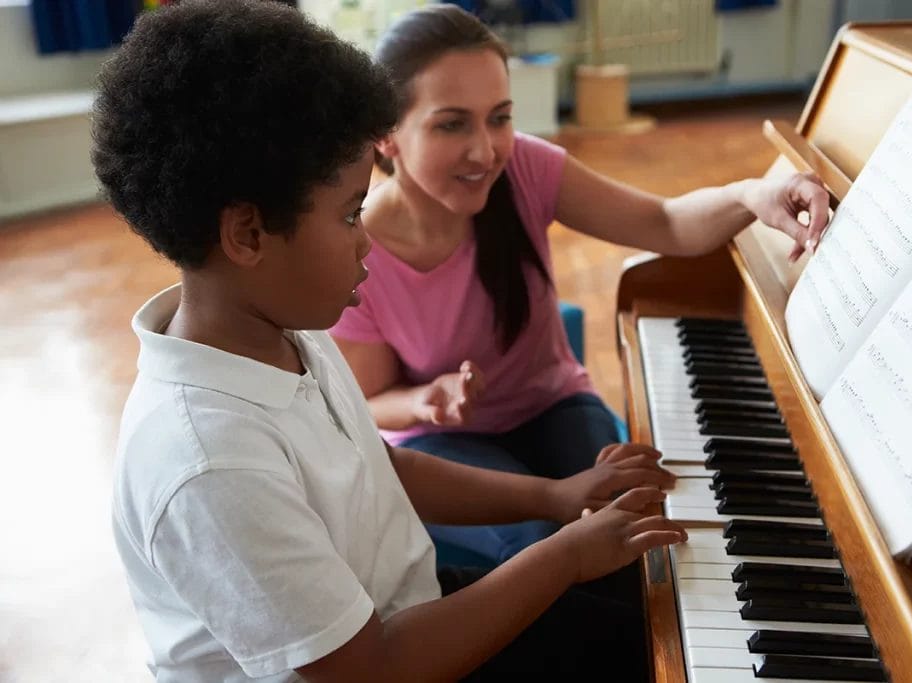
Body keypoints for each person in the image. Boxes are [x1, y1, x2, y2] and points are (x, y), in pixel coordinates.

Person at [100, 2, 686, 681]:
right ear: (248, 235)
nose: (366, 239)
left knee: (648, 600)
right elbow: (370, 668)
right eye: (351, 212)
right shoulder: (209, 461)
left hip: (407, 602)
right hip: (387, 656)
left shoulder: (277, 324)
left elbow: (381, 471)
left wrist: (556, 497)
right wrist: (566, 553)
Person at [330, 5, 830, 564]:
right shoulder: (357, 248)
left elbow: (665, 223)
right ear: (387, 137)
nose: (487, 149)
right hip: (441, 442)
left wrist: (748, 195)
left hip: (552, 405)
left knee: (633, 517)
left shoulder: (526, 168)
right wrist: (426, 400)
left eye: (500, 117)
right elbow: (372, 403)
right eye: (452, 123)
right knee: (547, 549)